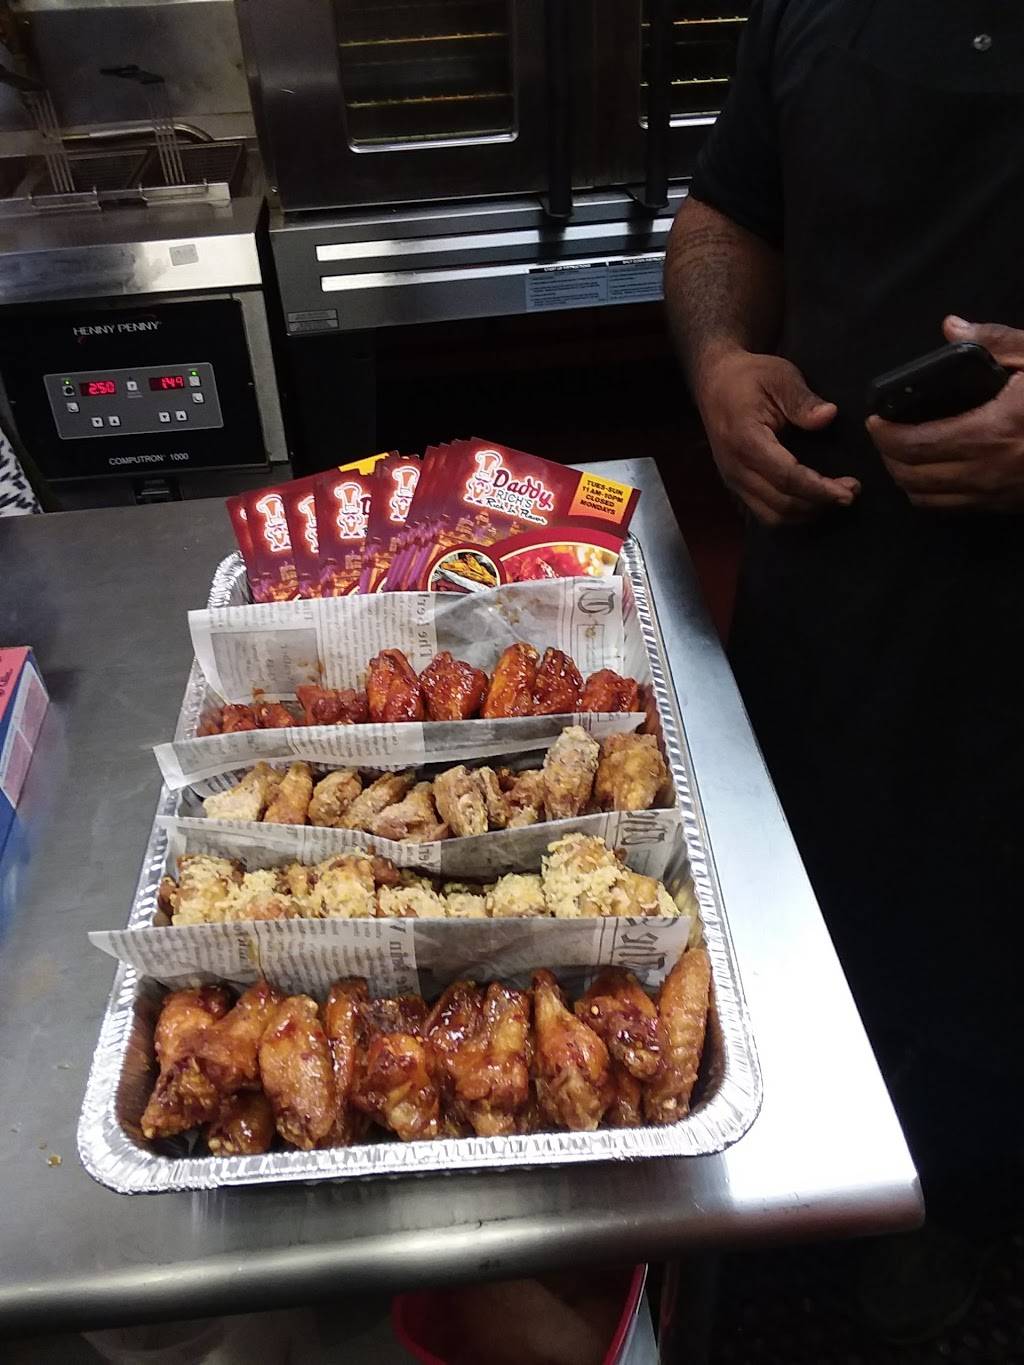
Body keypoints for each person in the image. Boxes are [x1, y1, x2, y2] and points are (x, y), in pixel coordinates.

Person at [664, 0, 1024, 1343]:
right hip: (829, 585)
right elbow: (728, 215)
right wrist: (719, 360)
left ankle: (956, 1228)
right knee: (808, 910)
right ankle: (793, 1197)